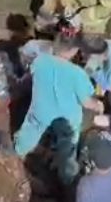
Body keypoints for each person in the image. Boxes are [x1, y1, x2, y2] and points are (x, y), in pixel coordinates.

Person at [14, 34, 104, 184]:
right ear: (74, 51)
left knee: (30, 131)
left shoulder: (39, 61)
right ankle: (67, 179)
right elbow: (87, 102)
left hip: (41, 110)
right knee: (67, 150)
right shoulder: (78, 74)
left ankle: (19, 150)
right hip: (66, 119)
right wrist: (99, 105)